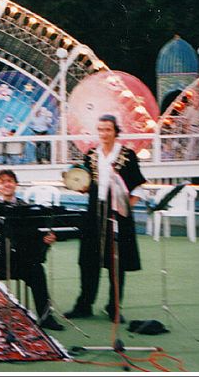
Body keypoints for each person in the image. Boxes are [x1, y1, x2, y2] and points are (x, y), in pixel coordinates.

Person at [63, 115, 146, 324]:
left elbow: (137, 187)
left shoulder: (127, 155)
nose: (104, 133)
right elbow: (86, 184)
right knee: (88, 261)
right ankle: (84, 305)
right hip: (94, 214)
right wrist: (79, 185)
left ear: (116, 131)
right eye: (100, 129)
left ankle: (114, 307)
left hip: (118, 214)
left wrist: (127, 209)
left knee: (116, 262)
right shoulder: (91, 155)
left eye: (108, 129)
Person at [0, 170, 65, 331]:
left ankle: (46, 317)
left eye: (10, 181)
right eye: (2, 181)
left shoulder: (26, 207)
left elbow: (38, 234)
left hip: (19, 259)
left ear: (16, 185)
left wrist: (46, 239)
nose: (7, 184)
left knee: (37, 271)